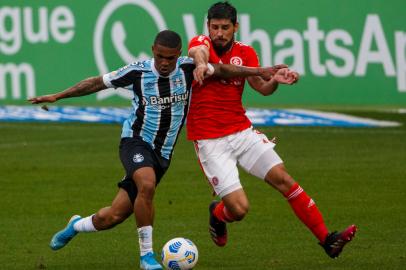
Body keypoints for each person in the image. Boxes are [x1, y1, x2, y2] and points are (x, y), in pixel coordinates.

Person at [28, 30, 288, 270]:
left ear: (178, 56)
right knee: (147, 185)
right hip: (135, 141)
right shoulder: (138, 72)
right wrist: (58, 96)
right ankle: (146, 256)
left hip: (162, 154)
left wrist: (262, 70)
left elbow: (222, 69)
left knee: (113, 216)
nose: (165, 63)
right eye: (160, 56)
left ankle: (76, 225)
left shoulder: (188, 68)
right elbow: (97, 82)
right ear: (153, 50)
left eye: (170, 58)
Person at [187, 1, 357, 259]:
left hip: (241, 131)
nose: (218, 33)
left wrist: (275, 81)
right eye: (214, 27)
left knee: (284, 179)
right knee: (240, 210)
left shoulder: (245, 52)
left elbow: (262, 88)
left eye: (224, 27)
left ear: (236, 27)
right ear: (207, 26)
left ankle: (327, 239)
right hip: (210, 140)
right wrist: (200, 64)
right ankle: (218, 213)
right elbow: (198, 52)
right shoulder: (202, 43)